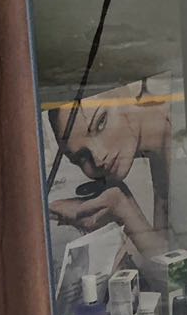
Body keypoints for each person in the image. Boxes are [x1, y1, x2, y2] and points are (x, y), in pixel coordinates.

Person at [46, 81, 171, 259]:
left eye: (101, 123)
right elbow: (169, 259)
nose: (98, 158)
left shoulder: (175, 137)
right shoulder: (160, 144)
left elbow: (179, 269)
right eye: (81, 157)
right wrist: (120, 204)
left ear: (129, 90)